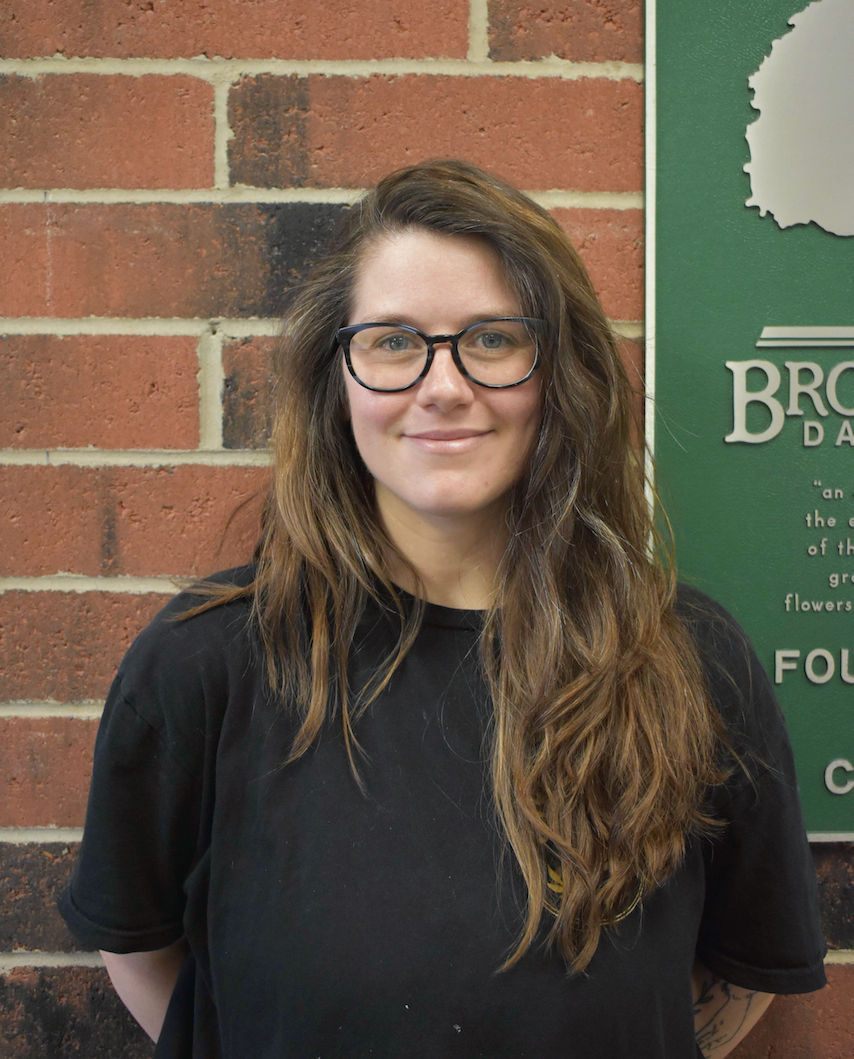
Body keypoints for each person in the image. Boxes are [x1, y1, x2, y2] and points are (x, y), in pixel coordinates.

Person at [59, 160, 826, 1058]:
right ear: (334, 377)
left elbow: (741, 971)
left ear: (559, 373)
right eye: (392, 342)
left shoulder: (688, 656)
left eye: (493, 338)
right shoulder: (210, 659)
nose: (444, 384)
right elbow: (139, 943)